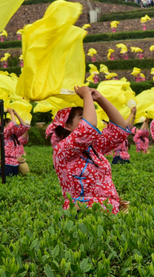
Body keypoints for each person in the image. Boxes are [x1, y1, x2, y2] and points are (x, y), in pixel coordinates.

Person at [51, 86, 131, 214]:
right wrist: (86, 96)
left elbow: (120, 129)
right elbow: (88, 127)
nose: (87, 118)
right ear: (67, 126)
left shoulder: (94, 147)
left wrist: (99, 98)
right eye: (81, 117)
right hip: (83, 214)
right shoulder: (62, 149)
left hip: (109, 211)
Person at [0, 109, 29, 177]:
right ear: (3, 126)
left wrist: (16, 113)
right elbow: (13, 125)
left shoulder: (14, 136)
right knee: (5, 184)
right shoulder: (2, 134)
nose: (11, 123)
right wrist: (11, 113)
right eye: (8, 122)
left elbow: (24, 126)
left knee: (13, 183)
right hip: (7, 164)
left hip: (15, 163)